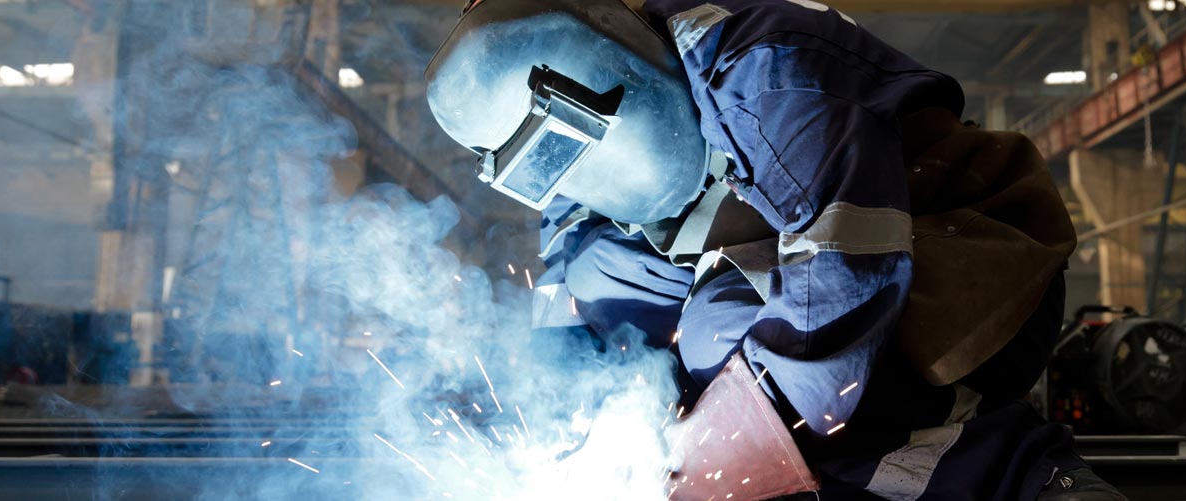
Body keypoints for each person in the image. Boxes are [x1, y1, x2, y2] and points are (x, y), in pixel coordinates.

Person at [425, 1, 1124, 499]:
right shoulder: (567, 172)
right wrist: (566, 424)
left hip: (971, 249)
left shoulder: (765, 66)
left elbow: (846, 277)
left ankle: (1016, 470)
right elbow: (569, 290)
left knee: (721, 337)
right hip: (817, 270)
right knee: (607, 280)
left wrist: (713, 450)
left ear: (607, 63)